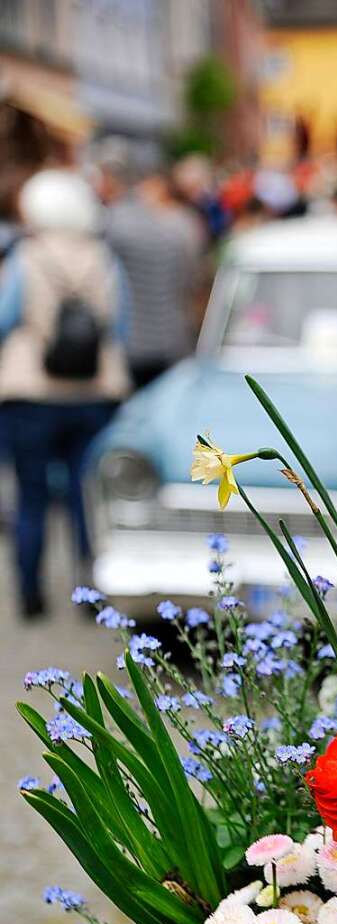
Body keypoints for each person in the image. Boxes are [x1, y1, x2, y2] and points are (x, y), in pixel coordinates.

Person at [0, 169, 131, 619]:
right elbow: (119, 325)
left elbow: (4, 318)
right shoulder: (105, 257)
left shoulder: (25, 257)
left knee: (31, 496)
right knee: (86, 497)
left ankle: (30, 595)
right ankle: (89, 593)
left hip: (31, 393)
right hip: (94, 393)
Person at [104, 163, 204, 388]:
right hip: (172, 337)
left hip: (130, 342)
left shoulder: (115, 225)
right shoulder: (180, 227)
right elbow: (191, 281)